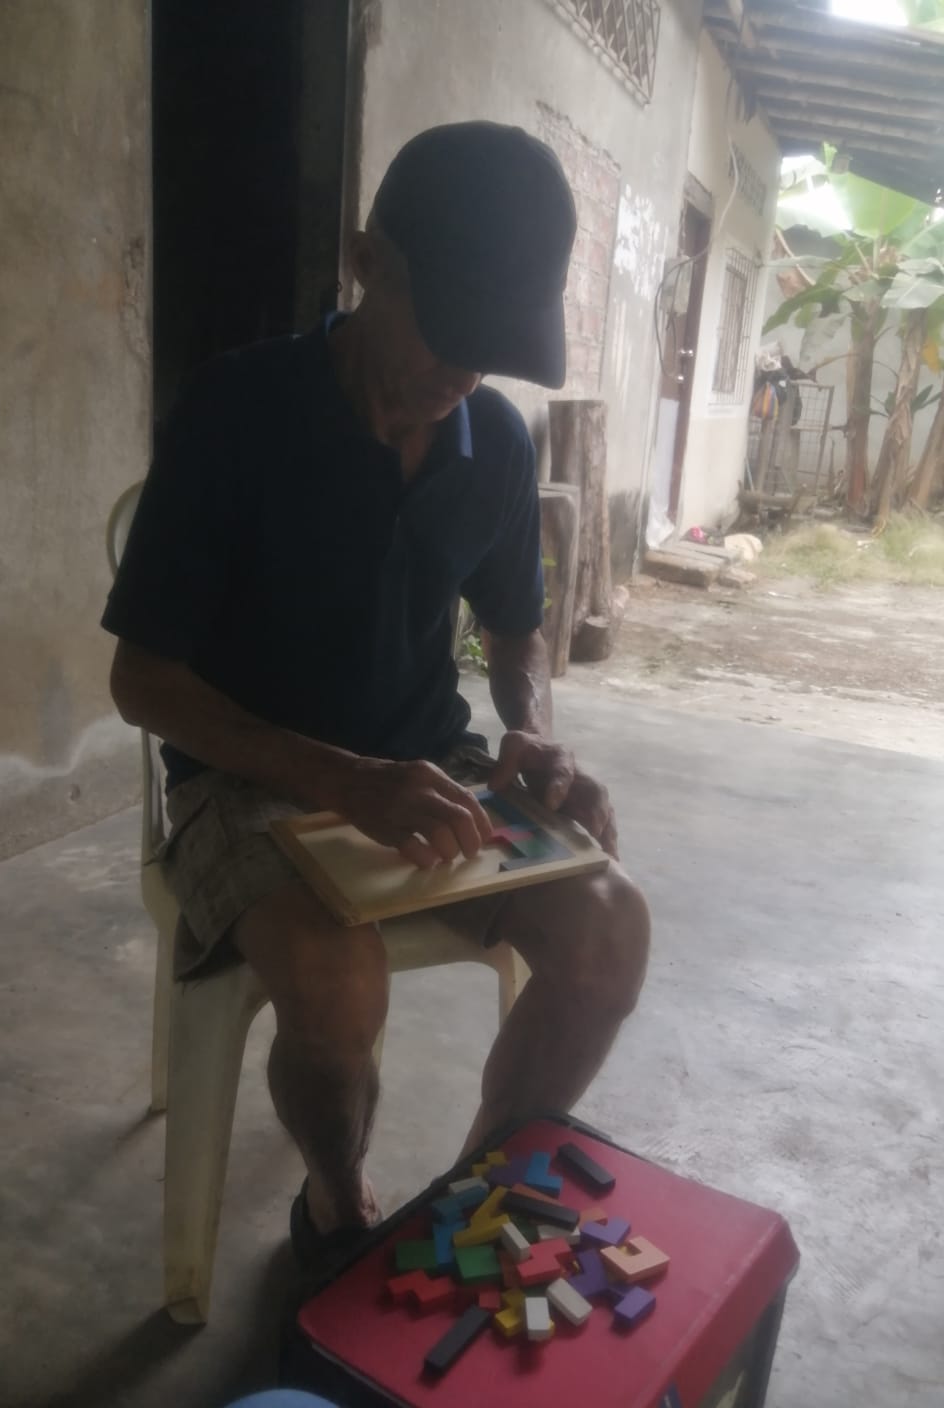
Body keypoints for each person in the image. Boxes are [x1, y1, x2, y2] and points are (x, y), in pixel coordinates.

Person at [103, 121, 650, 1268]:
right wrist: (347, 778)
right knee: (334, 978)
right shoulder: (234, 412)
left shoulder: (493, 444)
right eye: (447, 334)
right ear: (366, 264)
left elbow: (517, 633)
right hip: (243, 779)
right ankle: (338, 1204)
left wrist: (532, 732)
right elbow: (142, 680)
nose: (463, 376)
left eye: (490, 354)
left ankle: (472, 1200)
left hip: (430, 769)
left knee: (612, 929)